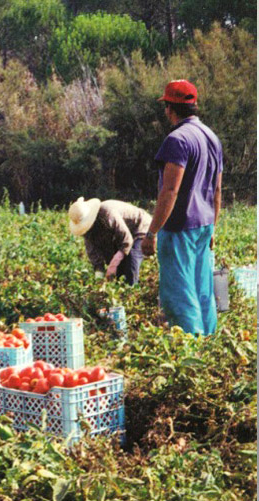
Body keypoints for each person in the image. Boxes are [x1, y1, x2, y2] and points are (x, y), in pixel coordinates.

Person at [142, 79, 223, 336]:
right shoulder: (211, 137)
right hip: (204, 225)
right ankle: (208, 343)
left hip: (179, 228)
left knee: (179, 293)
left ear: (170, 108)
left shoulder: (177, 139)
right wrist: (214, 228)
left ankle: (190, 351)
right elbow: (218, 189)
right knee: (202, 289)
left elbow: (170, 190)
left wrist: (152, 232)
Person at [67, 197, 152, 285]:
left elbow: (126, 240)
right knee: (117, 274)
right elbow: (96, 259)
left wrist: (113, 265)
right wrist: (99, 282)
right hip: (123, 233)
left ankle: (133, 288)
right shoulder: (88, 233)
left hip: (140, 227)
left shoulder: (107, 213)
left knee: (131, 262)